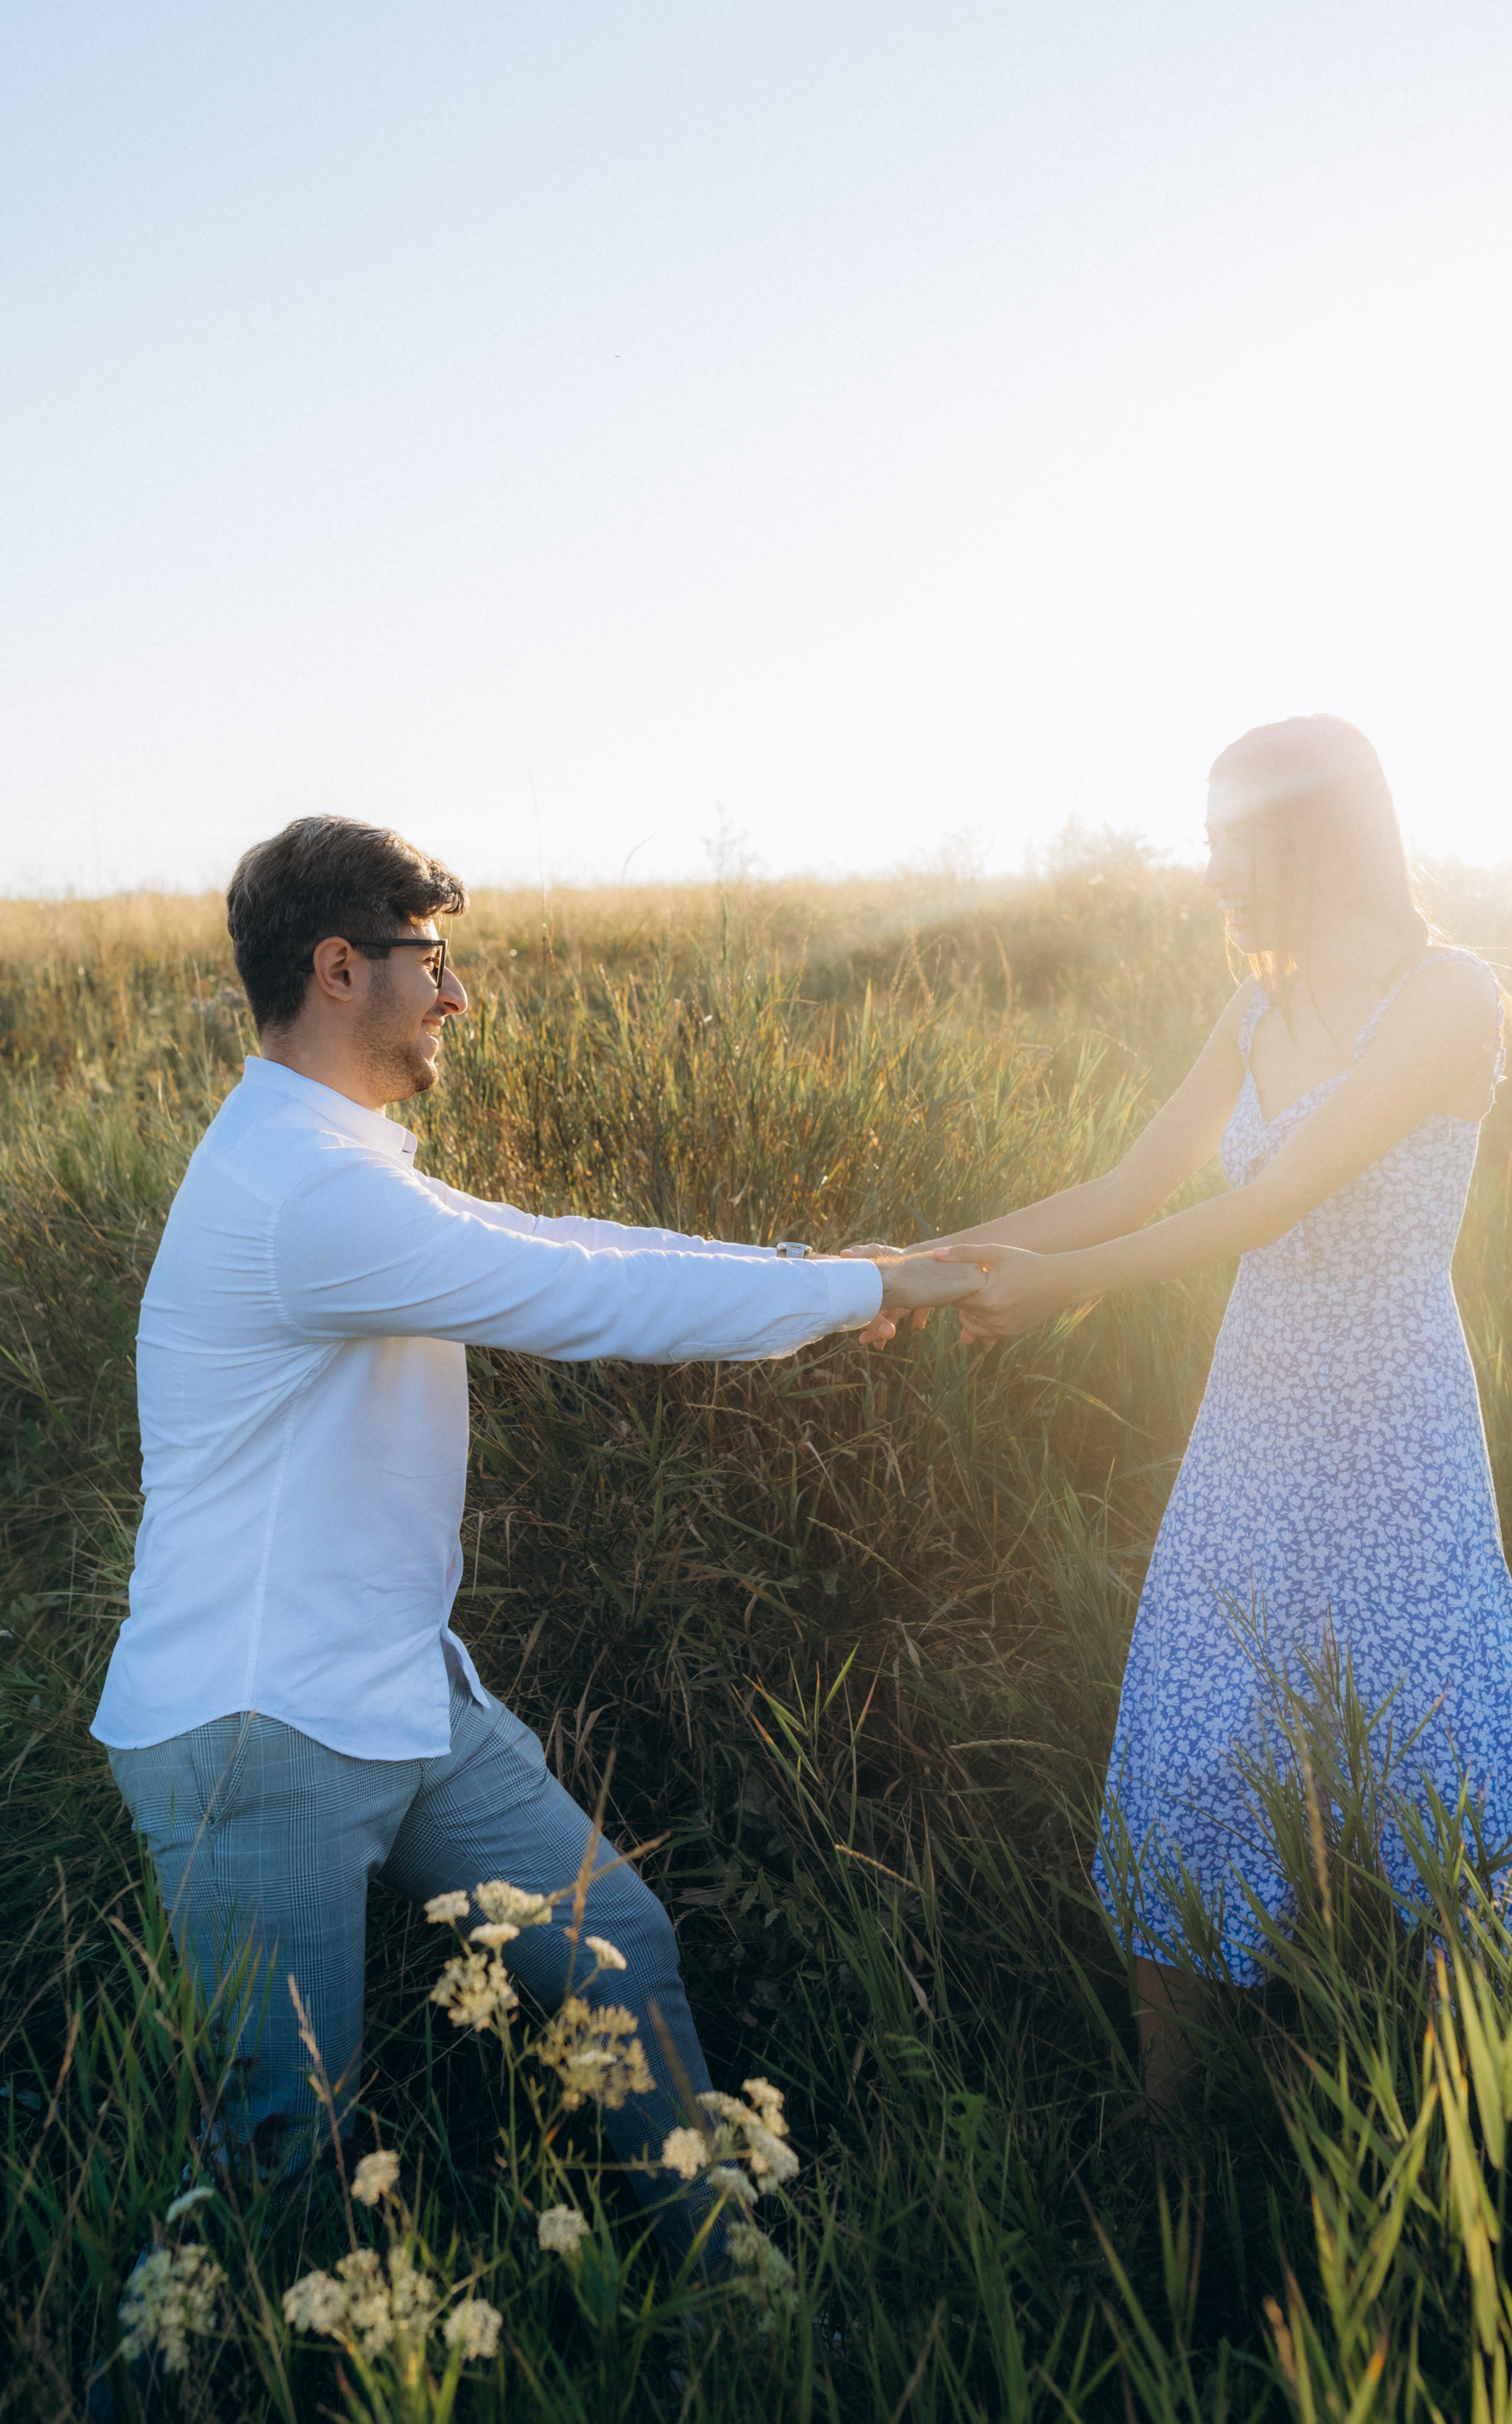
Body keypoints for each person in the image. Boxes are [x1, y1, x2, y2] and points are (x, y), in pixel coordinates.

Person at [91, 814, 971, 2248]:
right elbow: (584, 1300)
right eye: (431, 959)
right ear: (338, 968)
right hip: (257, 1729)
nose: (456, 994)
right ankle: (213, 2355)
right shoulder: (303, 1191)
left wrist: (834, 1273)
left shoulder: (331, 1159)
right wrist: (860, 1290)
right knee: (280, 2146)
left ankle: (722, 2292)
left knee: (616, 1950)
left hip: (398, 1692)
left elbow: (567, 1241)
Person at [859, 718, 1512, 2107]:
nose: (1209, 875)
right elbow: (1126, 1188)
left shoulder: (1450, 996)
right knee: (1198, 1748)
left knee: (1449, 1781)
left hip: (1397, 1438)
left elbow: (1276, 1200)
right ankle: (1174, 2159)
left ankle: (1485, 2138)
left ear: (1310, 837)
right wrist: (916, 1266)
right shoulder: (1257, 1009)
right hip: (1251, 1433)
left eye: (1229, 843)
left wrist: (1064, 1288)